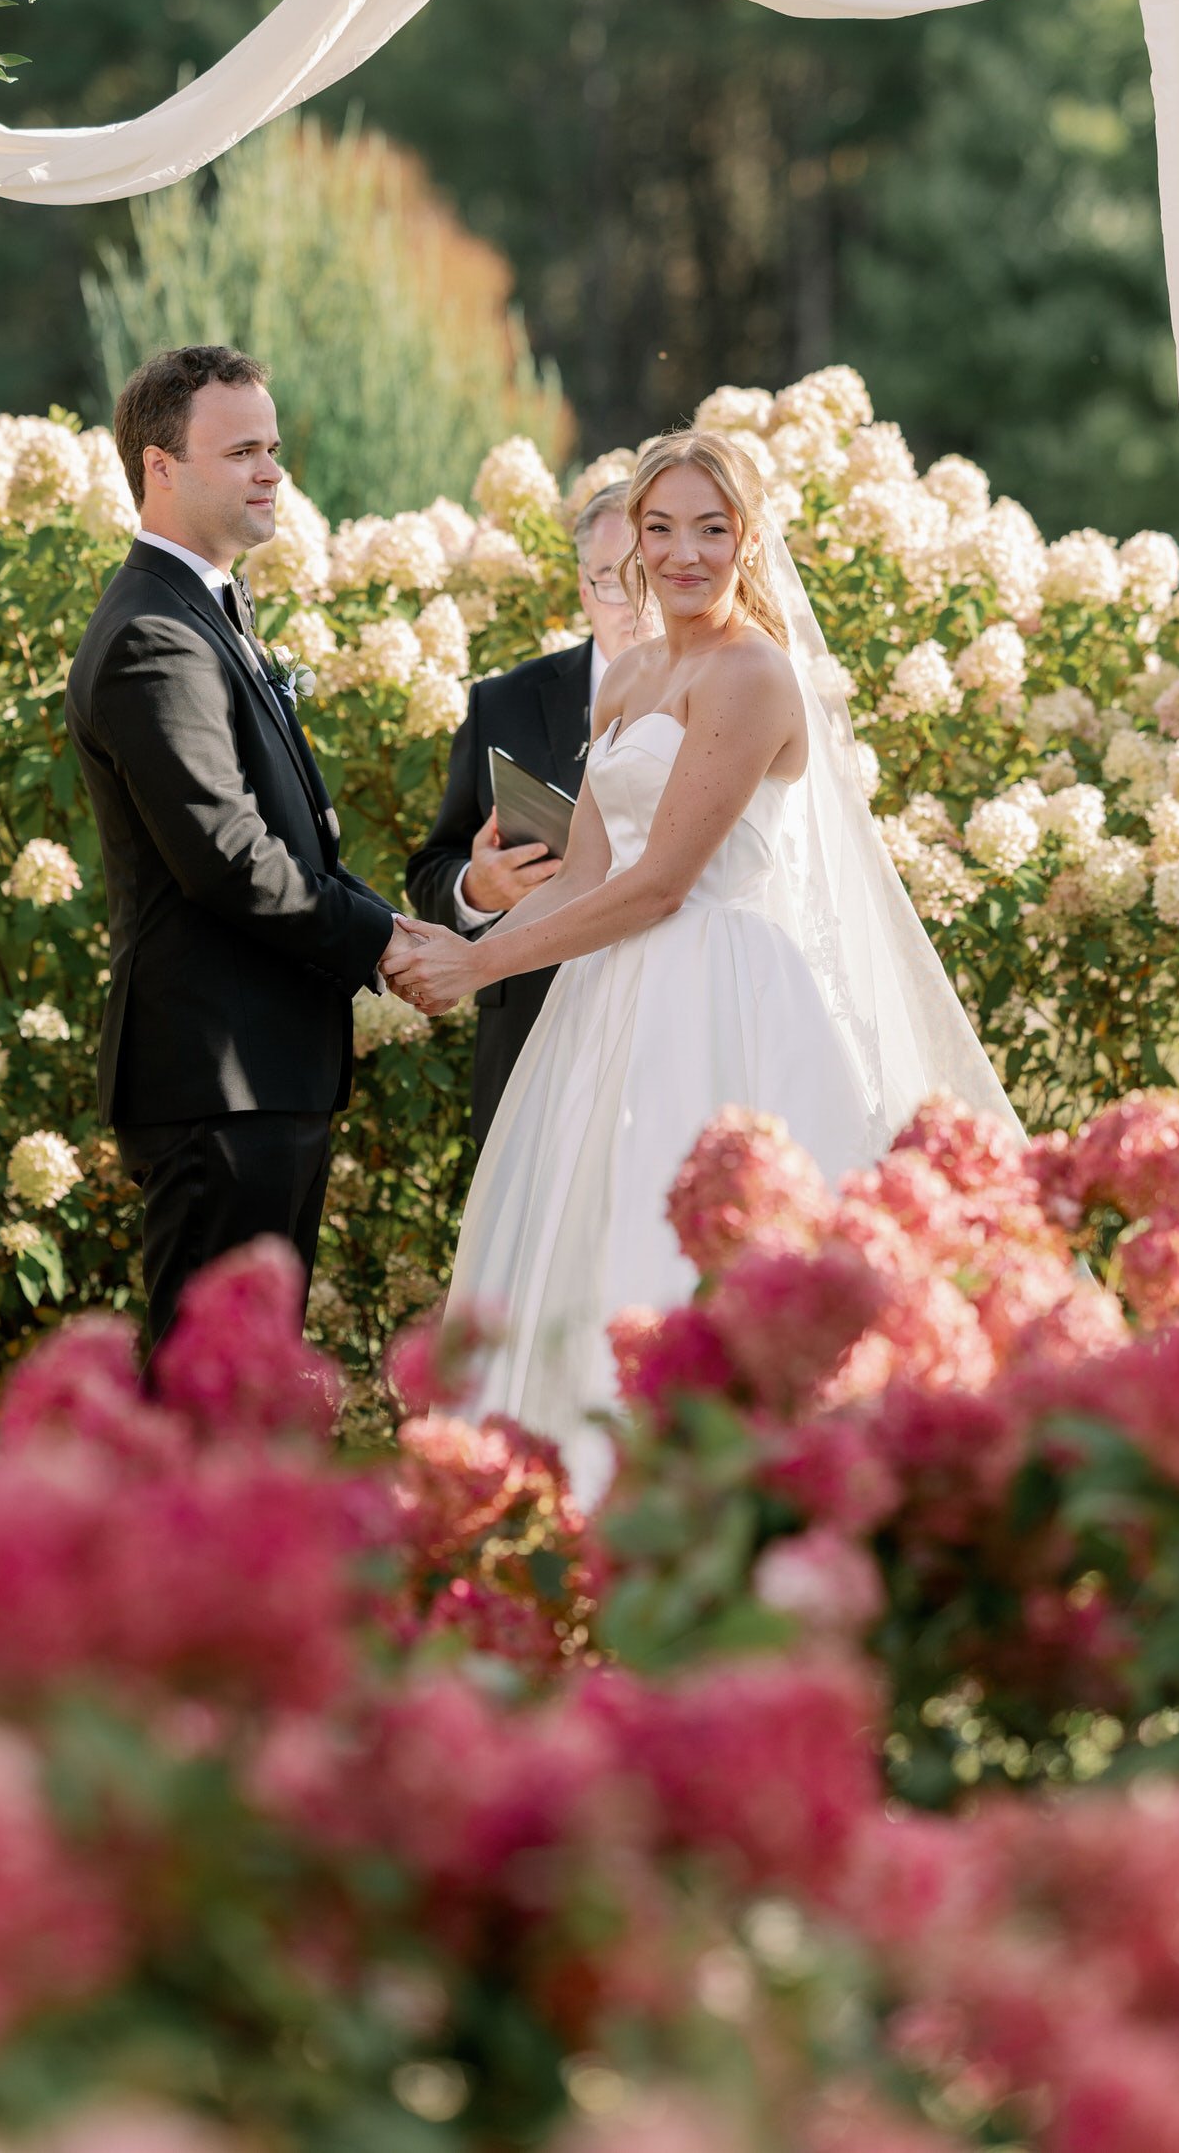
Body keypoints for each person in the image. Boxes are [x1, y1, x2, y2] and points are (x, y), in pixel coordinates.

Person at [394, 428, 1015, 1495]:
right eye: (662, 527)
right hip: (604, 1000)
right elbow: (588, 871)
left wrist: (478, 972)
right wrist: (461, 942)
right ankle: (565, 1500)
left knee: (699, 1240)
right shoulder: (630, 674)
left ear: (748, 537)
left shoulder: (751, 676)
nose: (685, 553)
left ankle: (720, 1497)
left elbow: (659, 885)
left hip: (717, 990)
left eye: (711, 528)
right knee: (583, 1230)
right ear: (633, 540)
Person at [66, 344, 420, 1357]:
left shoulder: (205, 610)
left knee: (243, 1388)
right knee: (206, 1397)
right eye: (241, 452)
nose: (272, 473)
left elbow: (283, 829)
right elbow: (225, 852)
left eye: (273, 448)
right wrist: (385, 941)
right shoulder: (153, 637)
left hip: (260, 1072)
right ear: (159, 468)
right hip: (218, 1077)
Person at [404, 484, 650, 1143]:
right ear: (581, 587)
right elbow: (433, 866)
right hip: (533, 1029)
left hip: (668, 1023)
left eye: (649, 577)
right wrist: (477, 889)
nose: (634, 603)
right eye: (611, 581)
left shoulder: (720, 701)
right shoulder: (503, 703)